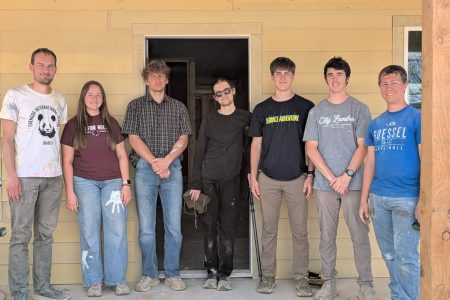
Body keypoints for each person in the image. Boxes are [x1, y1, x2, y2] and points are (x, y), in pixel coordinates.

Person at [303, 56, 376, 300]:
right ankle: (329, 283)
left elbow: (363, 146)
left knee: (359, 236)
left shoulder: (359, 108)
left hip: (353, 185)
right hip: (325, 186)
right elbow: (311, 148)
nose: (335, 79)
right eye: (330, 75)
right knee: (326, 236)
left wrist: (346, 175)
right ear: (326, 79)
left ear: (348, 78)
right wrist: (331, 177)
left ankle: (366, 285)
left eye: (339, 74)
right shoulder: (316, 112)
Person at [0, 48, 70, 300]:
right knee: (20, 235)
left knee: (45, 235)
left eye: (50, 65)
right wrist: (12, 175)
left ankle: (43, 286)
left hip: (53, 177)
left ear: (56, 68)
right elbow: (6, 139)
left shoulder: (60, 100)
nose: (45, 69)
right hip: (24, 176)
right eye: (40, 65)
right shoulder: (16, 95)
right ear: (31, 66)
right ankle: (19, 291)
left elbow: (58, 141)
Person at [122, 60, 192, 292]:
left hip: (173, 170)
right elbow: (133, 138)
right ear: (146, 79)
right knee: (147, 227)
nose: (158, 80)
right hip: (145, 170)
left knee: (174, 226)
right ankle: (149, 273)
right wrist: (154, 162)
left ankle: (173, 273)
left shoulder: (179, 107)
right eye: (153, 76)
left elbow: (184, 138)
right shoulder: (135, 106)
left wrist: (167, 161)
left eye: (162, 76)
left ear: (167, 80)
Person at [249, 57, 315, 297]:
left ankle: (302, 279)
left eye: (287, 73)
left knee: (300, 231)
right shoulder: (262, 109)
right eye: (278, 73)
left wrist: (310, 175)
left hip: (298, 177)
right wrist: (253, 175)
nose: (283, 77)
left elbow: (312, 145)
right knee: (269, 230)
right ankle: (268, 277)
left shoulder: (306, 107)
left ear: (293, 76)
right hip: (268, 178)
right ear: (272, 77)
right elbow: (256, 144)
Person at [61, 81, 132, 297]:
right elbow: (67, 161)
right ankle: (93, 281)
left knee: (117, 232)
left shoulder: (111, 123)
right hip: (84, 182)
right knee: (89, 231)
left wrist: (126, 184)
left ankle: (118, 279)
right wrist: (70, 191)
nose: (94, 98)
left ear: (103, 99)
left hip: (113, 182)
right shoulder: (73, 125)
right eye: (90, 94)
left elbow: (122, 155)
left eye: (98, 94)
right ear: (83, 97)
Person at [359, 65, 421, 300]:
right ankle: (399, 297)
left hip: (407, 198)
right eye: (384, 83)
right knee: (389, 255)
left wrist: (423, 201)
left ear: (405, 85)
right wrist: (364, 200)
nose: (389, 88)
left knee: (406, 258)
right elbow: (370, 164)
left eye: (394, 83)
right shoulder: (376, 124)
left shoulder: (416, 118)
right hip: (379, 198)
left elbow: (426, 159)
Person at [189, 78, 251, 291]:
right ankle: (211, 270)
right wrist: (195, 183)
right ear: (214, 98)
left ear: (233, 91)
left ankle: (225, 273)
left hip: (232, 180)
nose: (223, 95)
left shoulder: (245, 118)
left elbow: (252, 148)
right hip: (208, 180)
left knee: (228, 227)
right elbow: (199, 151)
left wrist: (252, 174)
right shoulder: (210, 119)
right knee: (208, 225)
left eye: (226, 91)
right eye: (218, 93)